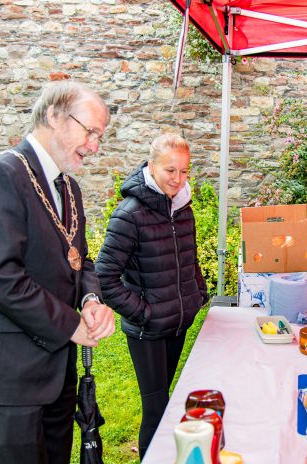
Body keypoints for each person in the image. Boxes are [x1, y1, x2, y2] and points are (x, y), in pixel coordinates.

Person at [0, 81, 116, 464]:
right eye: (89, 131)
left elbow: (81, 260)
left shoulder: (69, 188)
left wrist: (90, 299)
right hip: (7, 377)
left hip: (56, 373)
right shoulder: (2, 174)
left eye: (99, 136)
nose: (94, 146)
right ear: (54, 116)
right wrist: (71, 325)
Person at [95, 133, 208, 459]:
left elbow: (190, 256)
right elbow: (104, 276)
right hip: (148, 330)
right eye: (170, 170)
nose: (178, 179)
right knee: (156, 406)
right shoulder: (129, 214)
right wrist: (145, 313)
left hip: (177, 323)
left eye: (184, 171)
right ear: (151, 166)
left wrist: (197, 293)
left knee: (166, 401)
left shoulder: (183, 206)